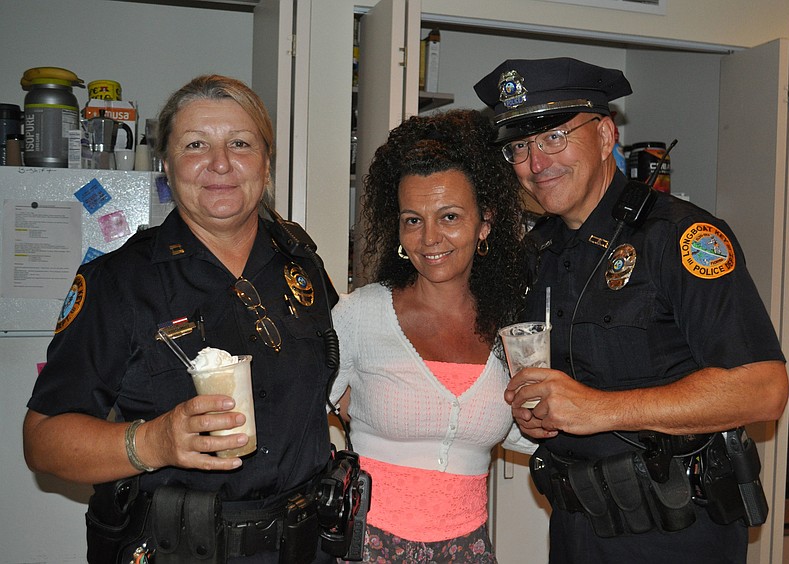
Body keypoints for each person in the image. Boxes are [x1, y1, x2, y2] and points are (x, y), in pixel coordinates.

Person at [473, 57, 789, 563]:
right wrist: (539, 416)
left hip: (679, 535)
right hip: (577, 528)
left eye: (555, 137)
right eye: (520, 147)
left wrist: (598, 409)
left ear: (604, 136)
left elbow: (764, 388)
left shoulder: (680, 238)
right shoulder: (537, 254)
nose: (537, 163)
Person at [23, 75, 339, 563]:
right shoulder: (118, 282)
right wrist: (154, 441)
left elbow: (341, 379)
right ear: (167, 167)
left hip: (304, 548)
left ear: (266, 164)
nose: (220, 163)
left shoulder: (302, 264)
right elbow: (43, 440)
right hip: (178, 549)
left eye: (240, 143)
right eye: (196, 145)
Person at [330, 109, 536, 561]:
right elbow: (296, 413)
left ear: (485, 223)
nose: (429, 239)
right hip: (367, 547)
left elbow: (529, 431)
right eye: (412, 220)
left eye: (449, 217)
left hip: (469, 549)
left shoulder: (511, 331)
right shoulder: (361, 315)